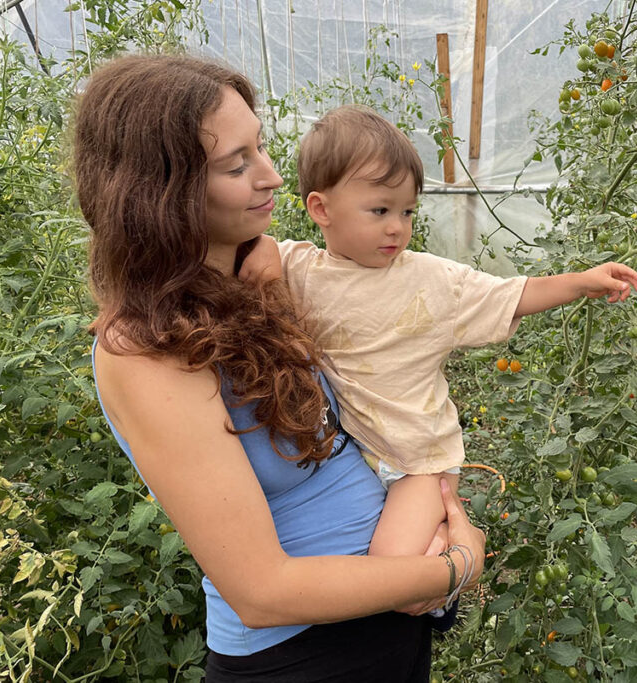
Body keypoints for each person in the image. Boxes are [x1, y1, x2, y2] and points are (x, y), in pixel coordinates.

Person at [71, 54, 486, 682]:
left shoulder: (262, 276)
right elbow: (262, 592)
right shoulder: (145, 350)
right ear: (160, 189)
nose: (269, 176)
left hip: (387, 622)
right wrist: (455, 566)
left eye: (261, 148)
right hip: (305, 656)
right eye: (237, 164)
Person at [240, 105, 637, 564]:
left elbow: (510, 294)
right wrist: (264, 251)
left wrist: (579, 282)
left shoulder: (430, 280)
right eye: (379, 209)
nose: (397, 226)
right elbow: (248, 249)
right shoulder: (300, 268)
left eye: (408, 210)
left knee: (393, 568)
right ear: (320, 208)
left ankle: (450, 568)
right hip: (358, 451)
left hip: (419, 464)